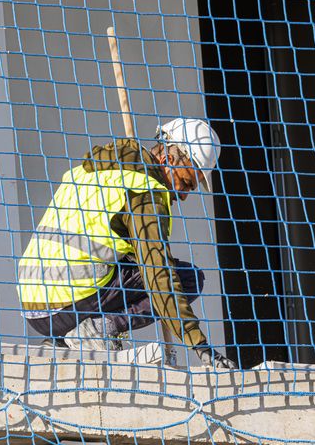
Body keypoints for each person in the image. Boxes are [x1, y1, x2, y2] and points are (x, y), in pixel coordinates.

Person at [16, 118, 235, 369]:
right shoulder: (144, 192)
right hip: (67, 302)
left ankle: (64, 340)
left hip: (35, 306)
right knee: (187, 279)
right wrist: (200, 345)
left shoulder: (96, 168)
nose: (184, 195)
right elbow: (158, 276)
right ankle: (96, 330)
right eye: (185, 182)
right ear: (169, 159)